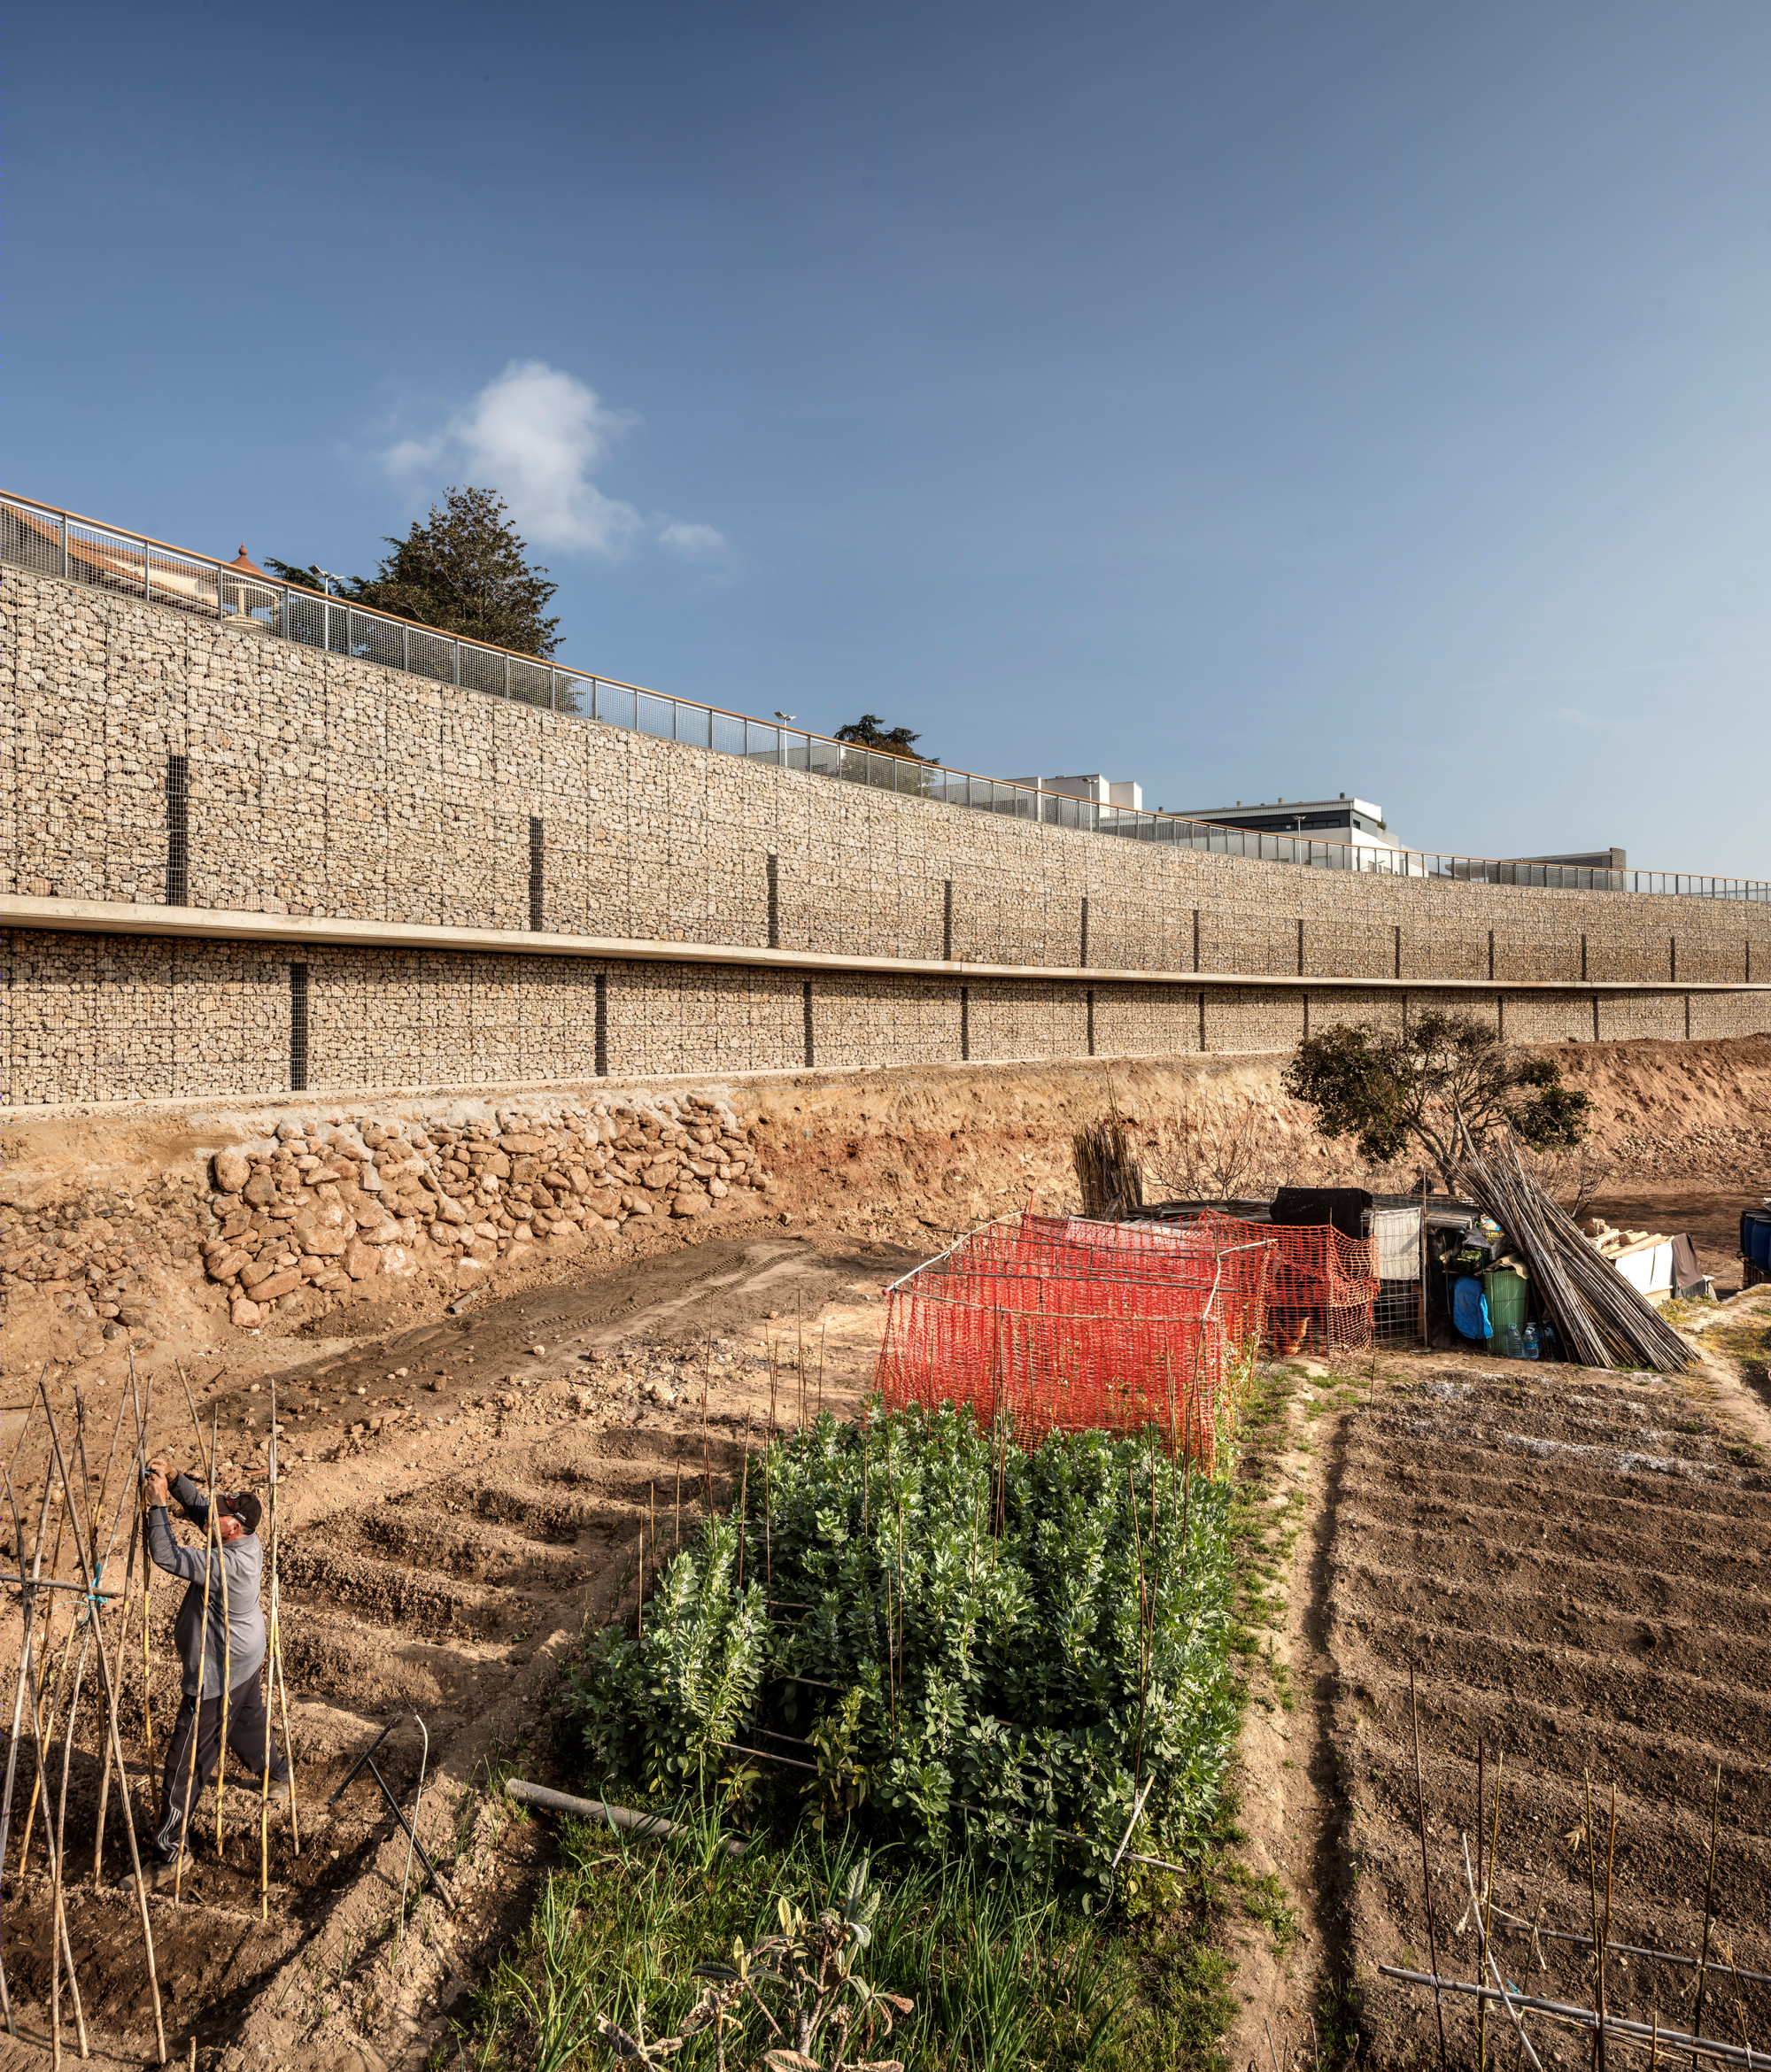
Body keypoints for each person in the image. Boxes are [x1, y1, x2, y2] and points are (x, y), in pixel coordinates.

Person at [142, 1457, 290, 1875]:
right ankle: (276, 1773)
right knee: (247, 1720)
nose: (213, 1516)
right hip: (246, 1655)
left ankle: (170, 1851)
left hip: (219, 1671)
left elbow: (166, 1555)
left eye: (222, 1516)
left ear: (234, 1528)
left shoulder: (227, 1565)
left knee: (185, 1762)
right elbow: (204, 1511)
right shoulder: (245, 1539)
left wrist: (156, 1507)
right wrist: (173, 1479)